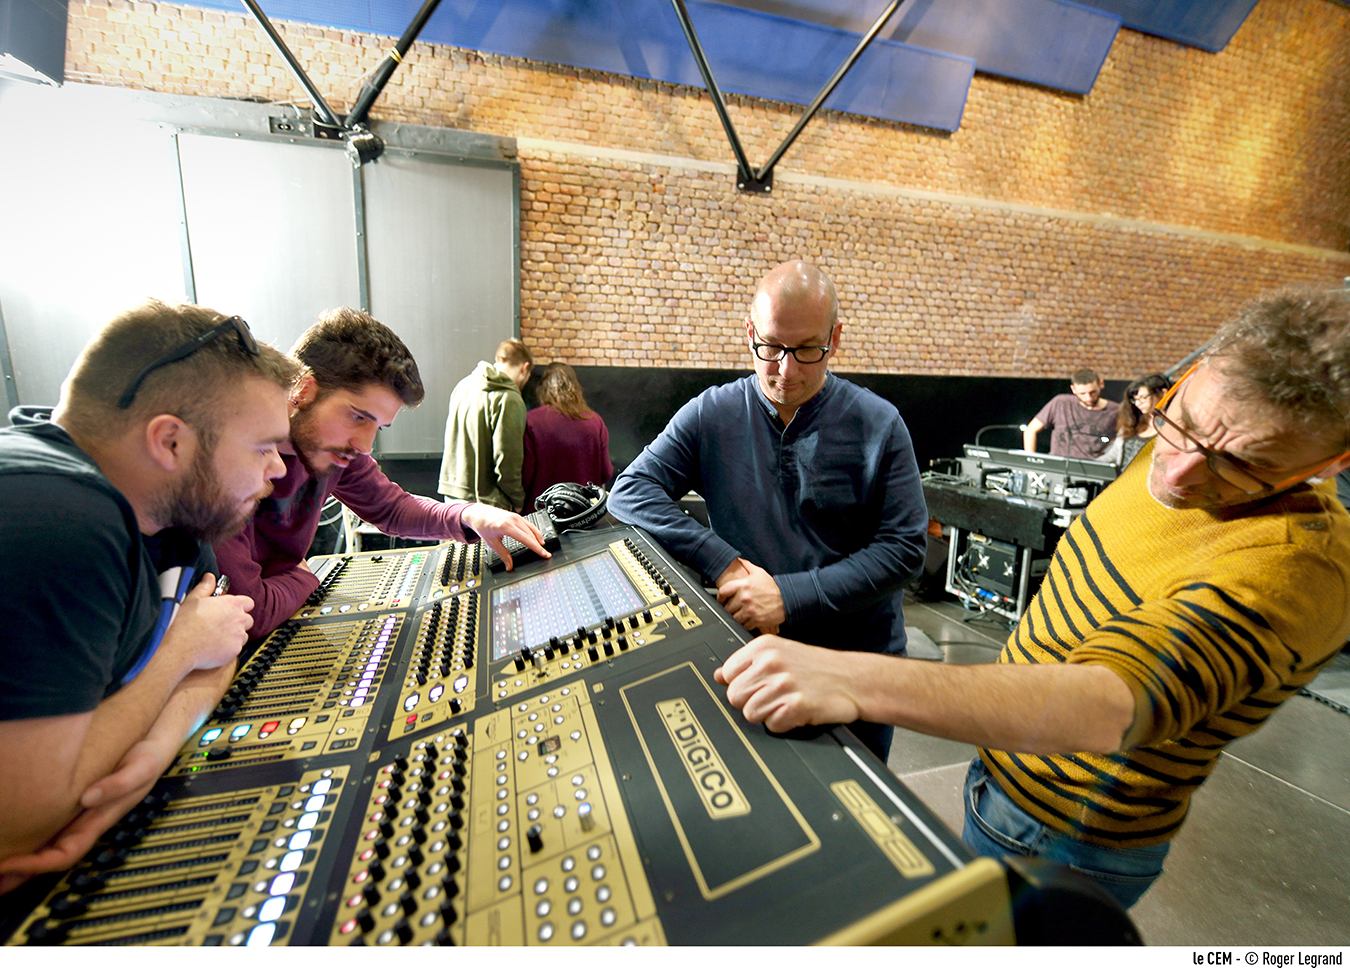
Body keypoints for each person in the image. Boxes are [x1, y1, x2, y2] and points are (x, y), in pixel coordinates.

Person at [715, 286, 1350, 908]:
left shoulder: (1301, 567)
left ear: (1331, 462)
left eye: (1239, 466)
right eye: (1178, 422)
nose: (1179, 472)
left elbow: (1107, 703)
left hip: (1068, 831)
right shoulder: (1175, 447)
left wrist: (848, 678)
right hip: (1006, 774)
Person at [0, 300, 300, 940]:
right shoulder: (43, 514)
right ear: (171, 440)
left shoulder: (174, 519)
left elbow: (224, 643)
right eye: (265, 447)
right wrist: (177, 654)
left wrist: (154, 752)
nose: (278, 471)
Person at [607, 260, 928, 762]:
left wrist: (788, 596)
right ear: (751, 332)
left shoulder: (879, 423)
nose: (786, 370)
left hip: (855, 669)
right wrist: (724, 563)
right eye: (772, 347)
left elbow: (904, 549)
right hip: (753, 657)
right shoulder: (713, 412)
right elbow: (630, 492)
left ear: (835, 339)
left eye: (807, 351)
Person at [216, 310, 548, 639]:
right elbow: (251, 609)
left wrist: (470, 514)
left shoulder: (332, 449)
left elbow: (391, 508)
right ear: (303, 390)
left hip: (284, 615)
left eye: (378, 426)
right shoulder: (228, 466)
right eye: (358, 417)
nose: (365, 446)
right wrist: (307, 576)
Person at [438, 339, 534, 512]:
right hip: (486, 504)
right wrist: (517, 501)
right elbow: (507, 460)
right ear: (524, 368)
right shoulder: (508, 398)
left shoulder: (463, 385)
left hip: (451, 497)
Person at [521, 363, 614, 511]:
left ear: (544, 390)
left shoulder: (532, 420)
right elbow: (606, 473)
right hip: (584, 511)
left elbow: (526, 476)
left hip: (543, 512)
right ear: (577, 389)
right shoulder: (595, 421)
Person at [1023, 368, 1120, 459]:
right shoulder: (1060, 402)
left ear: (1101, 384)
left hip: (1093, 468)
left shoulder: (1116, 410)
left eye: (1093, 392)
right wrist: (1031, 460)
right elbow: (1031, 430)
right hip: (1058, 465)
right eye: (1082, 393)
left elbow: (1123, 440)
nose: (1088, 398)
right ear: (1073, 389)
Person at [1096, 372, 1173, 471]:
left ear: (1163, 393)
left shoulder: (1172, 427)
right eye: (1135, 399)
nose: (1138, 403)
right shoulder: (1133, 423)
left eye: (1143, 398)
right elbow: (1113, 454)